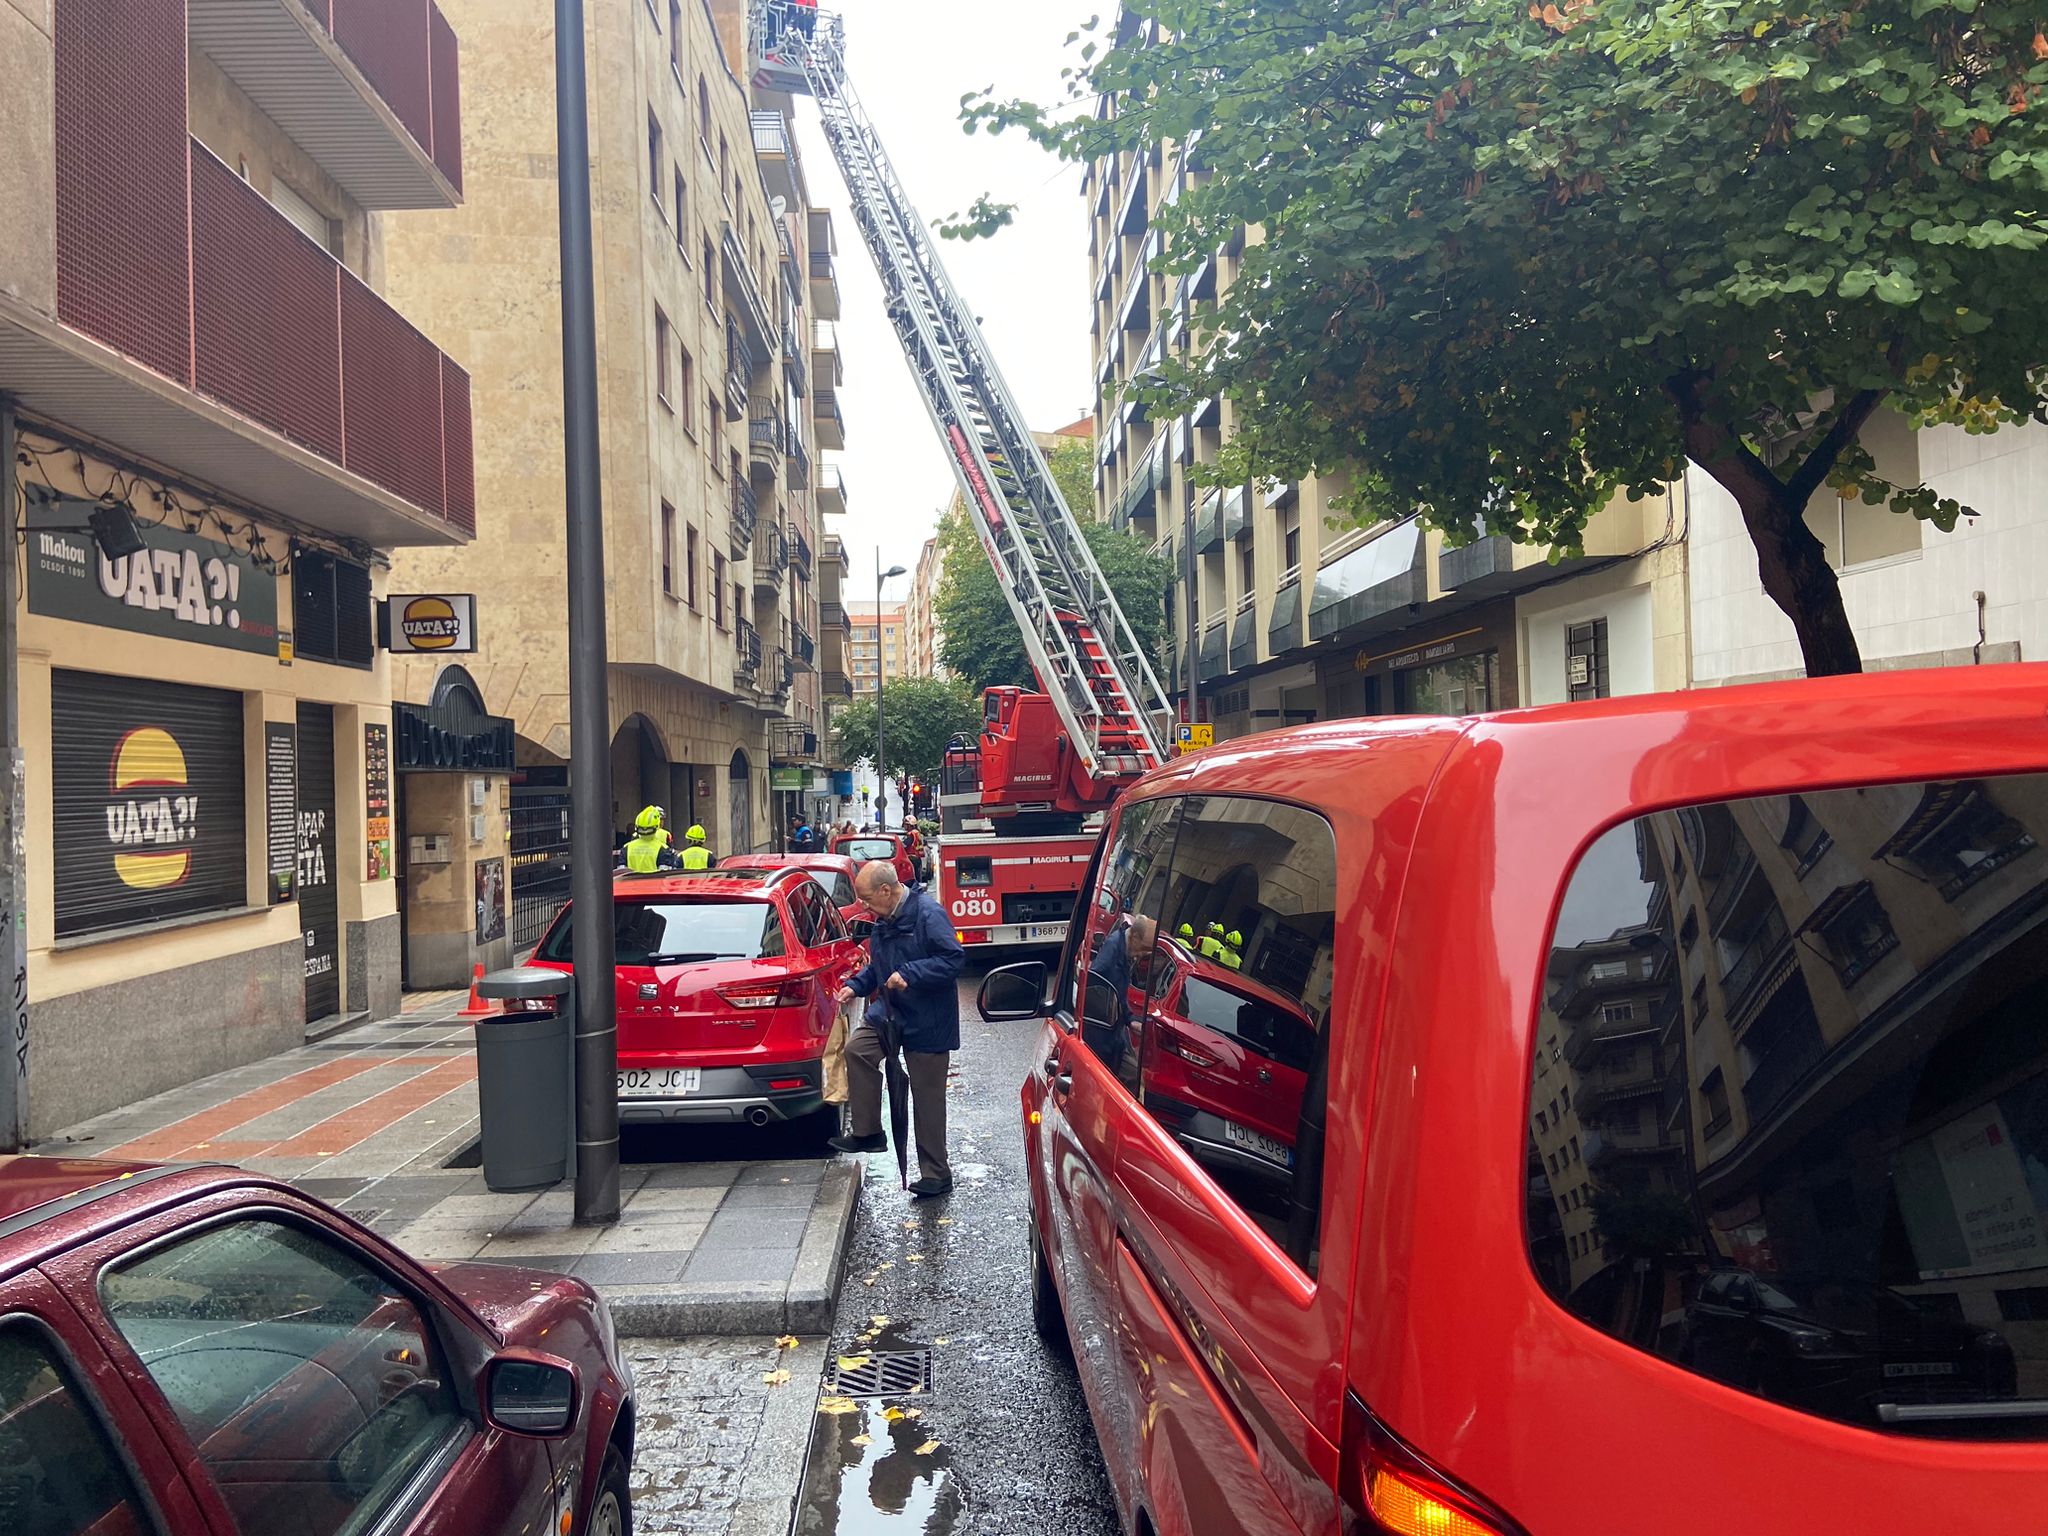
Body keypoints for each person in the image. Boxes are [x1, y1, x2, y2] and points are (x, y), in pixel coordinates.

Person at [832, 860, 965, 1196]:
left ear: (886, 891)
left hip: (929, 1018)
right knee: (857, 1049)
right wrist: (857, 985)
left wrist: (911, 974)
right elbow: (879, 965)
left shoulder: (928, 914)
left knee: (927, 1098)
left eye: (866, 899)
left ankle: (936, 1174)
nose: (863, 906)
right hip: (891, 1012)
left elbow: (953, 959)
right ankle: (868, 1132)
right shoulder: (883, 918)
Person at [618, 807, 681, 873]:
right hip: (654, 883)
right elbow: (665, 875)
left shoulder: (626, 848)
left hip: (631, 883)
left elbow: (621, 874)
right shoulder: (663, 849)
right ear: (657, 825)